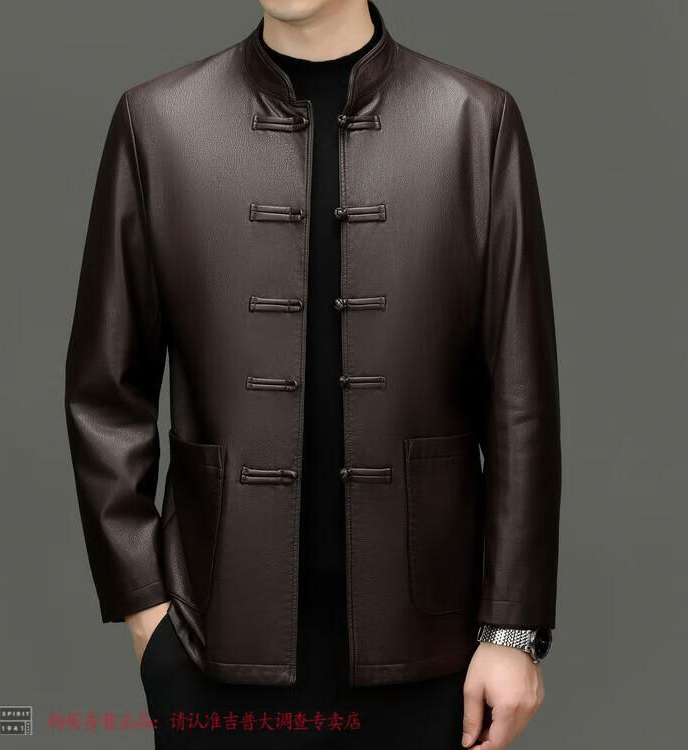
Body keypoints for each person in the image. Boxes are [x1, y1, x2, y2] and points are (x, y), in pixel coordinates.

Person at [64, 1, 561, 748]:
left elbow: (521, 402)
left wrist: (511, 631)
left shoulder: (475, 122)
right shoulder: (158, 121)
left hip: (433, 648)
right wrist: (146, 609)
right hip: (212, 637)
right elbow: (105, 390)